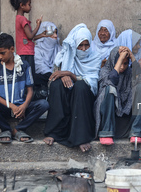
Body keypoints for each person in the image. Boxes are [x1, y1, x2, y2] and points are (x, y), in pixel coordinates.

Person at [43, 23, 100, 152]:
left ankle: (81, 137)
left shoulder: (95, 57)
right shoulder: (68, 55)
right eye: (80, 45)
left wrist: (68, 73)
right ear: (75, 45)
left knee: (80, 86)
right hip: (70, 92)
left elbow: (91, 81)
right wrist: (64, 74)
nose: (84, 49)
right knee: (57, 85)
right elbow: (57, 73)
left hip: (85, 95)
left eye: (87, 45)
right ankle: (54, 132)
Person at [0, 33, 49, 144]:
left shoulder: (24, 65)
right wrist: (12, 106)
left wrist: (24, 106)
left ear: (12, 49)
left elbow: (30, 90)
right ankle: (5, 129)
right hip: (4, 107)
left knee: (44, 104)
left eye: (2, 53)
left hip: (21, 108)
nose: (0, 57)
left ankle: (18, 129)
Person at [94, 46, 141, 145]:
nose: (122, 67)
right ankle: (106, 133)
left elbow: (140, 80)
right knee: (110, 89)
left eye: (125, 63)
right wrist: (121, 58)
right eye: (120, 62)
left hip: (125, 122)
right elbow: (112, 80)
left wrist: (132, 57)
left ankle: (136, 131)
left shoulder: (129, 72)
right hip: (108, 120)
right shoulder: (105, 70)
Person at [9, 0, 45, 77]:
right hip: (26, 53)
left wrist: (42, 35)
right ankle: (29, 91)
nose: (31, 6)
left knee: (24, 76)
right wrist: (38, 25)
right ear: (22, 5)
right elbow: (30, 36)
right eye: (29, 4)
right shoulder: (22, 19)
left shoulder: (18, 18)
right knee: (29, 76)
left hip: (23, 52)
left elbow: (29, 37)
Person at [33, 21, 61, 99]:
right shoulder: (36, 50)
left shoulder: (59, 49)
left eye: (56, 33)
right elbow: (40, 66)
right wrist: (52, 75)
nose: (55, 36)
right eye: (52, 34)